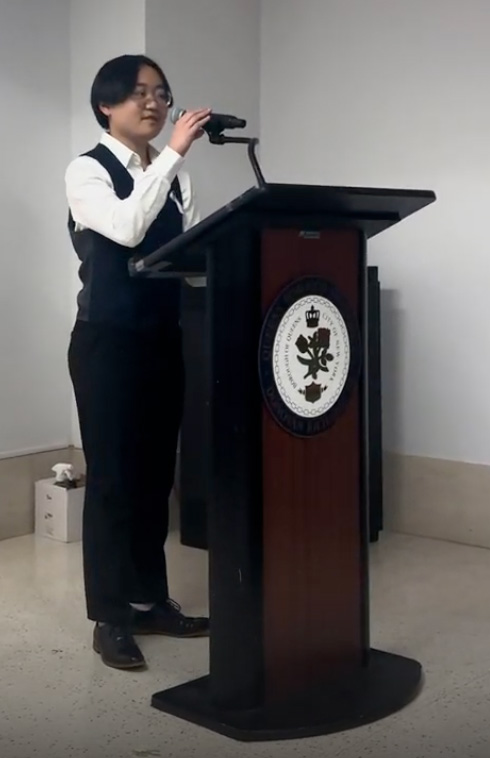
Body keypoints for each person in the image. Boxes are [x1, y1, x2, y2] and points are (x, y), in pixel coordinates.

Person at [65, 54, 211, 670]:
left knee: (154, 478)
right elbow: (125, 229)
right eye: (137, 93)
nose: (153, 103)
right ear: (106, 105)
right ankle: (110, 616)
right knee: (112, 480)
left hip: (162, 340)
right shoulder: (86, 171)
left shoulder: (175, 178)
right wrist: (172, 155)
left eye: (161, 93)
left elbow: (194, 258)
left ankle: (150, 601)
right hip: (107, 344)